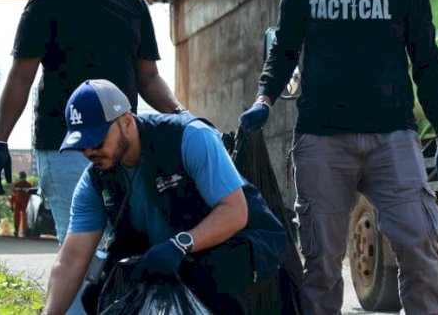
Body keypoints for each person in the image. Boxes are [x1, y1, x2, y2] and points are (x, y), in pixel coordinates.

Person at [237, 0, 438, 314]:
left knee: (418, 248)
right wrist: (264, 99)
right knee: (321, 261)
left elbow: (428, 64)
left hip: (392, 138)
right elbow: (284, 51)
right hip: (322, 140)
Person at [0, 0, 184, 246]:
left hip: (120, 145)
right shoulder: (46, 5)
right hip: (65, 149)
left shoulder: (133, 5)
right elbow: (21, 78)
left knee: (125, 245)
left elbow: (148, 78)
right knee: (80, 248)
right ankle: (71, 301)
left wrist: (183, 117)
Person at [41, 80, 287, 315]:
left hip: (239, 242)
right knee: (100, 292)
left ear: (126, 121)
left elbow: (234, 212)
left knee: (209, 273)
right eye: (81, 144)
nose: (89, 152)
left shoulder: (189, 137)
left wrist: (179, 244)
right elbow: (71, 260)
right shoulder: (95, 180)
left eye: (96, 140)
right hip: (168, 253)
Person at [11, 171, 32, 237]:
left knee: (20, 217)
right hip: (24, 203)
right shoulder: (28, 185)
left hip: (20, 203)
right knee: (24, 217)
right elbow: (13, 195)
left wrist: (11, 205)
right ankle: (23, 230)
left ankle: (19, 230)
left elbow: (13, 196)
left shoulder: (17, 185)